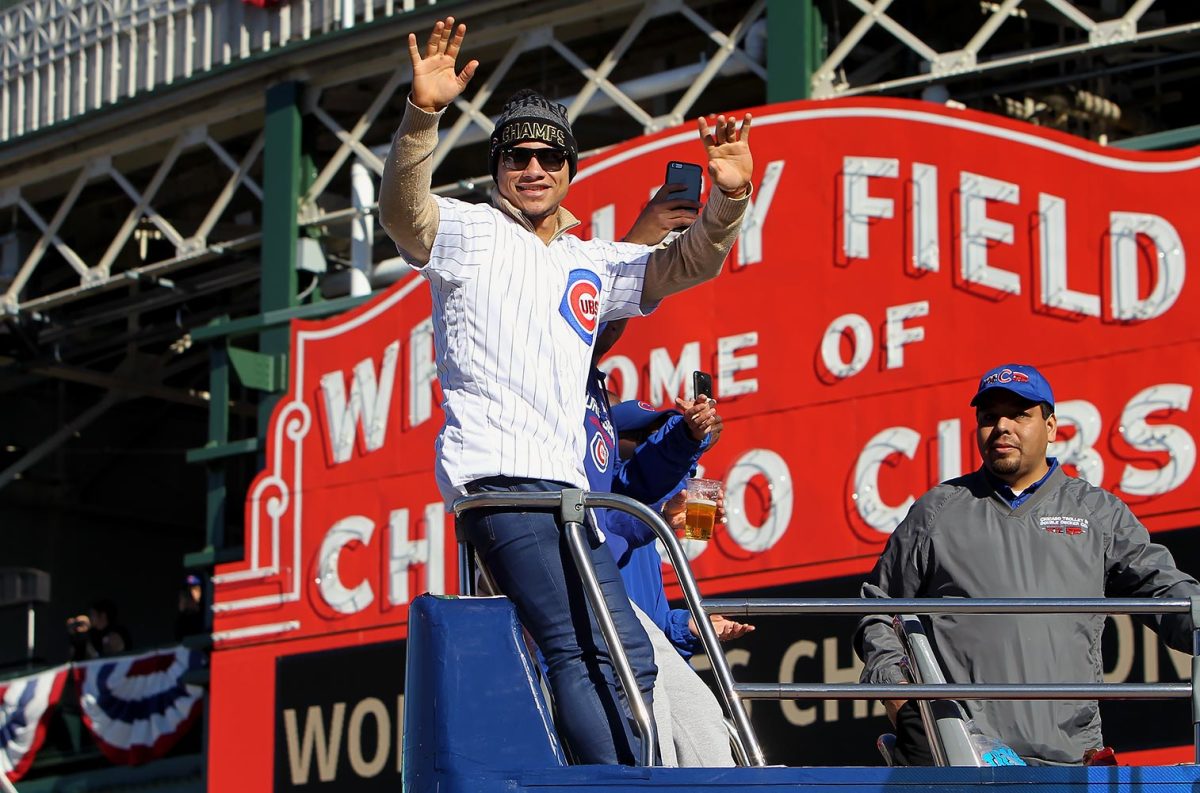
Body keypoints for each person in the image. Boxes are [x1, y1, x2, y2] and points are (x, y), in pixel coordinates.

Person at [378, 17, 754, 766]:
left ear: (570, 169)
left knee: (630, 658)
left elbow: (687, 263)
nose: (533, 166)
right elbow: (402, 213)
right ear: (497, 168)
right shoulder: (468, 230)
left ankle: (623, 777)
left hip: (567, 494)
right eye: (516, 154)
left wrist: (730, 199)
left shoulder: (589, 260)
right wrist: (423, 115)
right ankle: (612, 785)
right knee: (579, 649)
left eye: (549, 155)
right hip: (499, 484)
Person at [854, 363, 1200, 766]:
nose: (1001, 426)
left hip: (1070, 759)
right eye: (988, 417)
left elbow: (1166, 592)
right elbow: (878, 609)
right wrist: (901, 694)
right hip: (963, 757)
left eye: (1019, 414)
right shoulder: (937, 510)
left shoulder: (1096, 512)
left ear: (1050, 426)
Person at [66, 599, 131, 660]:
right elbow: (76, 658)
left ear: (103, 615)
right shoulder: (92, 634)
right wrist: (74, 636)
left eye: (92, 614)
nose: (89, 617)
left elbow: (107, 660)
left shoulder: (116, 632)